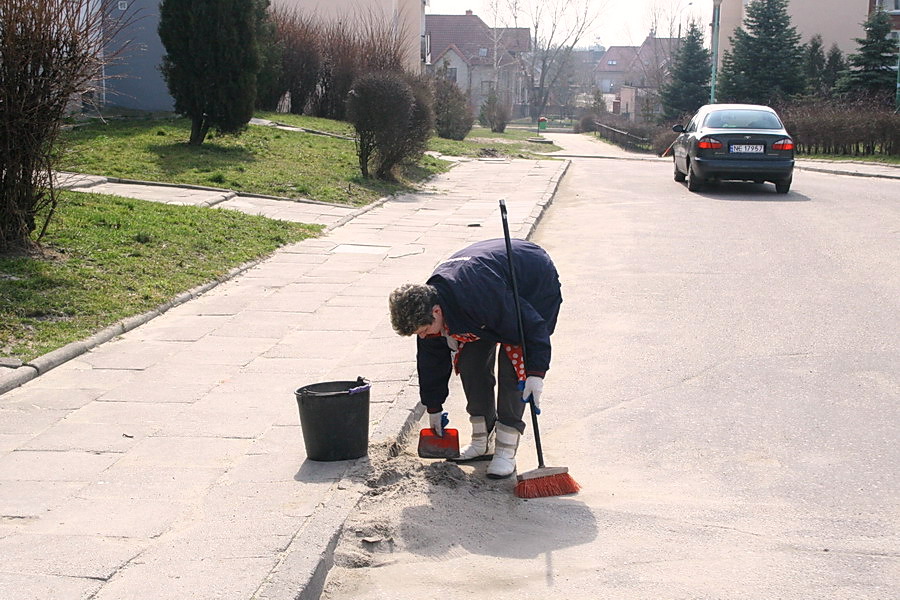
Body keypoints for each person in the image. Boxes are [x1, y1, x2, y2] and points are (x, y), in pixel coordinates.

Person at [388, 238, 562, 479]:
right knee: (471, 362)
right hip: (486, 291)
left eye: (425, 331)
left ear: (436, 312)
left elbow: (531, 325)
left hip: (532, 282)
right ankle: (483, 440)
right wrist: (434, 407)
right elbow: (431, 363)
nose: (425, 336)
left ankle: (505, 450)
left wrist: (535, 373)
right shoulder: (427, 308)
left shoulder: (478, 294)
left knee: (513, 366)